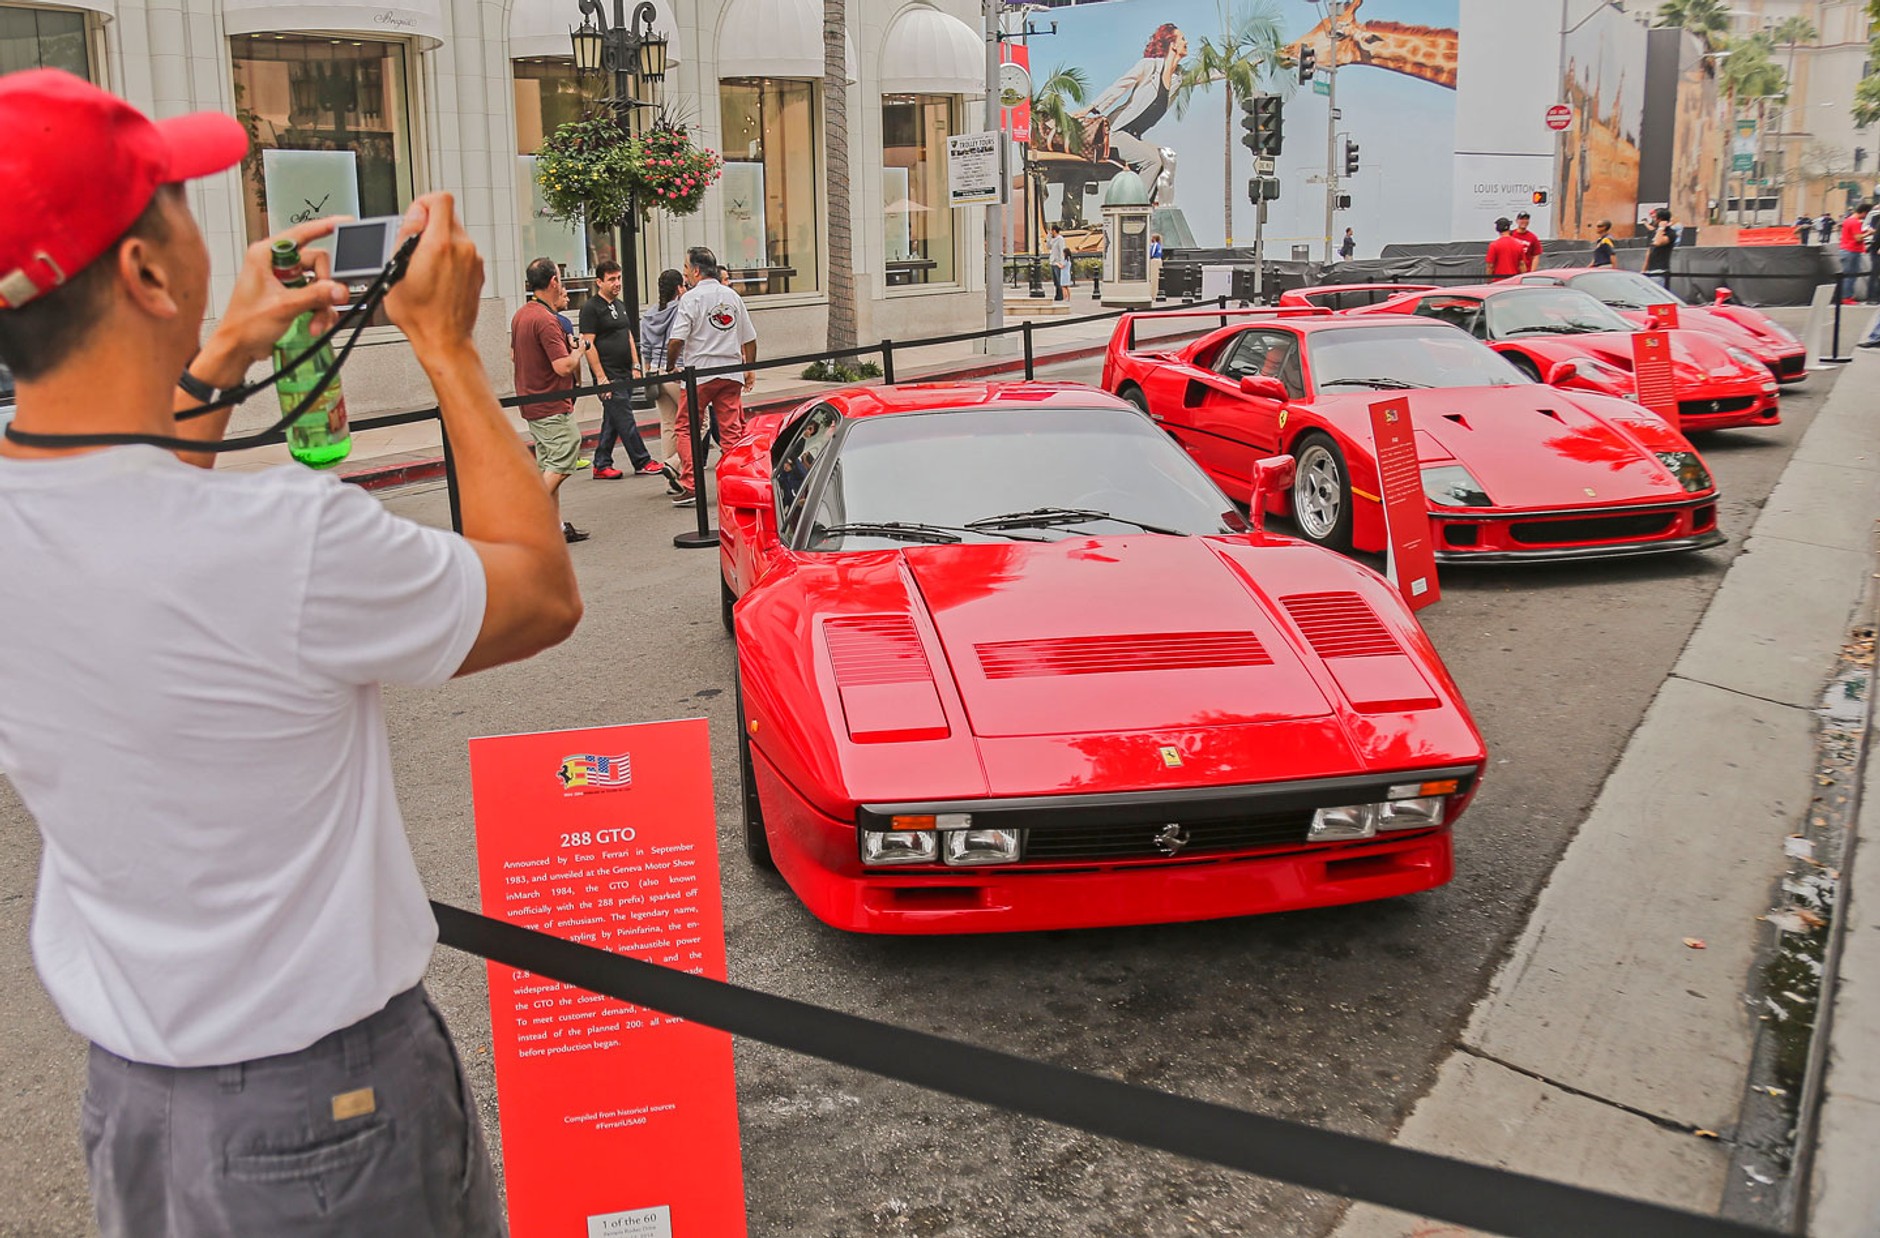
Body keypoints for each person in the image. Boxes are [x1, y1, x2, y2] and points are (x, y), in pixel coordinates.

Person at [0, 69, 581, 1236]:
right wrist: (445, 346)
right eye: (179, 203)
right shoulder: (283, 540)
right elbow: (537, 591)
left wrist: (222, 351)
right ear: (145, 272)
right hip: (327, 1110)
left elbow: (134, 502)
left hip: (136, 1097)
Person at [665, 246, 756, 508]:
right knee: (730, 431)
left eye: (686, 267)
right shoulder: (732, 296)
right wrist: (749, 368)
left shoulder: (691, 299)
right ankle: (735, 483)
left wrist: (671, 366)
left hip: (700, 373)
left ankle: (691, 484)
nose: (684, 273)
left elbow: (676, 340)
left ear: (696, 271)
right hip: (730, 371)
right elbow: (750, 339)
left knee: (687, 427)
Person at [513, 257, 590, 541]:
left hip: (532, 401)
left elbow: (513, 355)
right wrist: (579, 350)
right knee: (565, 454)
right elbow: (563, 367)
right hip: (550, 402)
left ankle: (554, 528)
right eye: (560, 277)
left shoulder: (522, 315)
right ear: (554, 281)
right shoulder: (546, 320)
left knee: (549, 465)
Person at [1074, 24, 1188, 202]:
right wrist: (1090, 108)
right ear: (1172, 44)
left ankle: (1153, 205)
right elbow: (1119, 86)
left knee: (1167, 157)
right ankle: (1134, 206)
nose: (1186, 42)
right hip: (1115, 132)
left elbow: (1209, 74)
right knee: (1153, 161)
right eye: (1182, 39)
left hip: (1132, 136)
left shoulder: (1178, 78)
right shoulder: (1149, 66)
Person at [579, 259, 657, 480]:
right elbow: (588, 344)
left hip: (626, 372)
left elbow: (628, 335)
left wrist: (636, 365)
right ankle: (642, 460)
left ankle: (601, 463)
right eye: (611, 279)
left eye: (619, 278)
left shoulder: (620, 305)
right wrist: (601, 378)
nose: (617, 283)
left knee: (613, 420)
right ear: (599, 282)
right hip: (609, 375)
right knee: (625, 418)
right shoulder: (591, 308)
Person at [640, 268, 687, 495]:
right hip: (677, 370)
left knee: (668, 424)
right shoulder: (681, 309)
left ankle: (671, 481)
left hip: (656, 373)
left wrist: (649, 369)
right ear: (678, 288)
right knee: (700, 422)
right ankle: (674, 464)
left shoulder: (650, 314)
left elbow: (646, 348)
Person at [1838, 203, 1868, 303]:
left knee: (1846, 275)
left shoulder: (1847, 220)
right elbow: (1858, 238)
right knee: (1851, 276)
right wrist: (1869, 233)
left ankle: (1845, 296)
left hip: (1844, 249)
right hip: (1852, 250)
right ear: (1864, 212)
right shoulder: (1856, 222)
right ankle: (1846, 297)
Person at [1645, 207, 1678, 287]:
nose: (1653, 220)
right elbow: (1649, 251)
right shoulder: (1654, 232)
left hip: (1660, 271)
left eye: (1654, 218)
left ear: (1660, 219)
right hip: (1649, 270)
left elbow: (1658, 242)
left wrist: (1661, 228)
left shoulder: (1670, 233)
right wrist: (1644, 269)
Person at [1048, 224, 1069, 302]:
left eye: (1051, 230)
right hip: (1053, 262)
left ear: (1054, 231)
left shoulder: (1060, 239)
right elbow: (1048, 246)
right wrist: (1048, 237)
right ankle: (1058, 294)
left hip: (1058, 262)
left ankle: (1060, 295)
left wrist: (1062, 262)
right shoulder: (1053, 239)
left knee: (1059, 279)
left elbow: (1062, 251)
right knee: (1056, 280)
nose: (1051, 232)